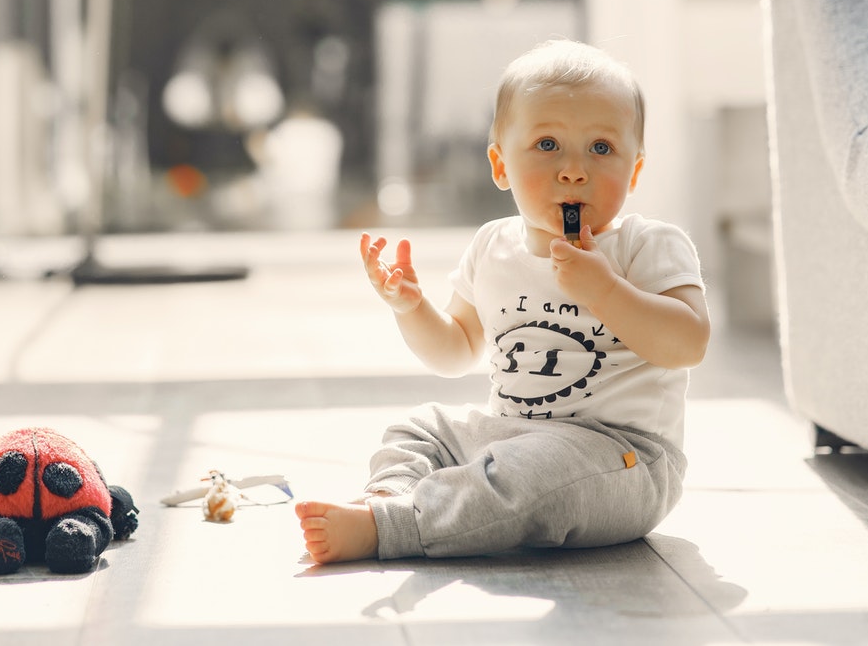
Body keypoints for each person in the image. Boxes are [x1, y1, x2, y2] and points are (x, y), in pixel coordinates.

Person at [296, 39, 710, 563]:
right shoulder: (493, 246)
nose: (574, 170)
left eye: (601, 148)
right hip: (510, 436)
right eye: (547, 145)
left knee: (535, 473)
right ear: (500, 165)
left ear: (634, 171)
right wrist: (411, 308)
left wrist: (606, 290)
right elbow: (454, 351)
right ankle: (390, 498)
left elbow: (688, 343)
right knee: (421, 427)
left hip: (622, 457)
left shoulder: (647, 245)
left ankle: (398, 526)